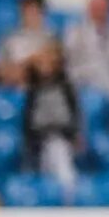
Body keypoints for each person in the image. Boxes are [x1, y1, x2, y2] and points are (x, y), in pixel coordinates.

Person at [21, 40, 85, 194]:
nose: (46, 66)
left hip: (61, 137)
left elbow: (74, 113)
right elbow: (28, 117)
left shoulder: (65, 86)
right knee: (44, 160)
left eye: (50, 61)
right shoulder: (33, 88)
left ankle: (69, 194)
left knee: (58, 151)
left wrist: (74, 134)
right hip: (39, 139)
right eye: (42, 62)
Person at [62, 0, 109, 98]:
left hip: (106, 76)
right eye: (95, 6)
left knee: (102, 72)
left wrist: (95, 56)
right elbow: (69, 54)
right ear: (88, 8)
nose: (98, 10)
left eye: (102, 7)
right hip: (78, 75)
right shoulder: (75, 29)